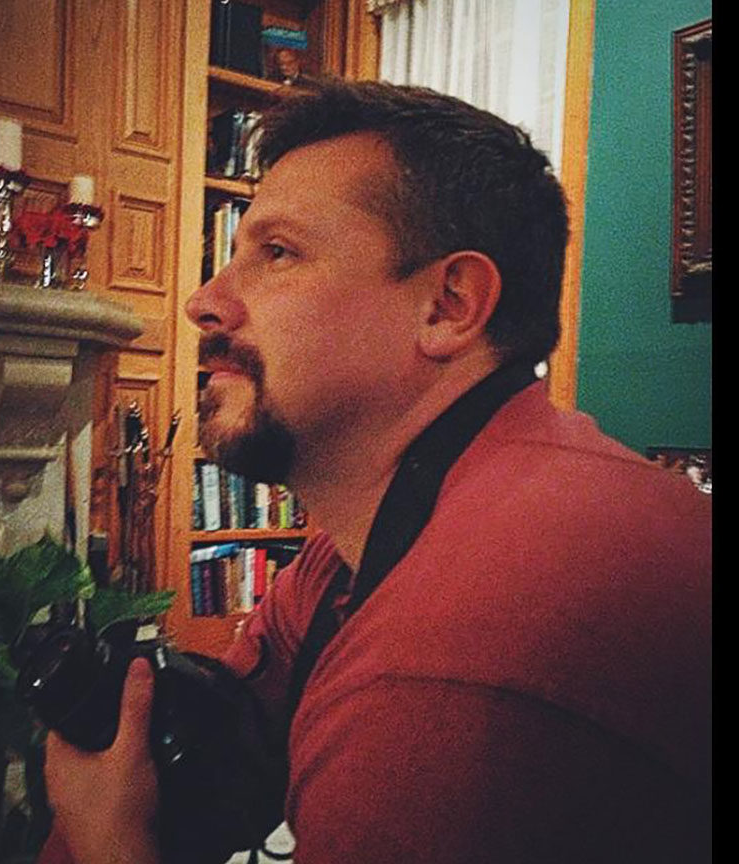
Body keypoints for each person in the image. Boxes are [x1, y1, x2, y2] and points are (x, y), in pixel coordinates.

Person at [39, 79, 711, 864]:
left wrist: (106, 840)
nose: (205, 302)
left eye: (278, 253)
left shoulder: (456, 658)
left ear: (448, 305)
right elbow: (222, 733)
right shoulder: (372, 539)